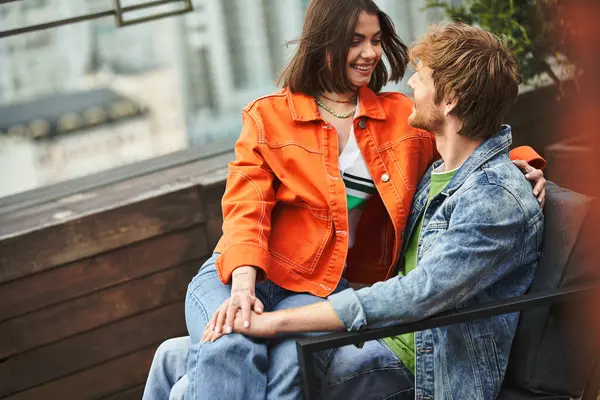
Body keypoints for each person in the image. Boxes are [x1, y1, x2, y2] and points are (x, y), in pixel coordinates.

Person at [143, 0, 546, 398]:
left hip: (318, 292)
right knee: (226, 345)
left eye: (375, 40)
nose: (371, 53)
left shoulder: (400, 120)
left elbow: (472, 145)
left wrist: (523, 163)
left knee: (208, 370)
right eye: (356, 40)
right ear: (325, 43)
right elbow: (245, 208)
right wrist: (244, 288)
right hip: (242, 272)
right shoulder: (268, 116)